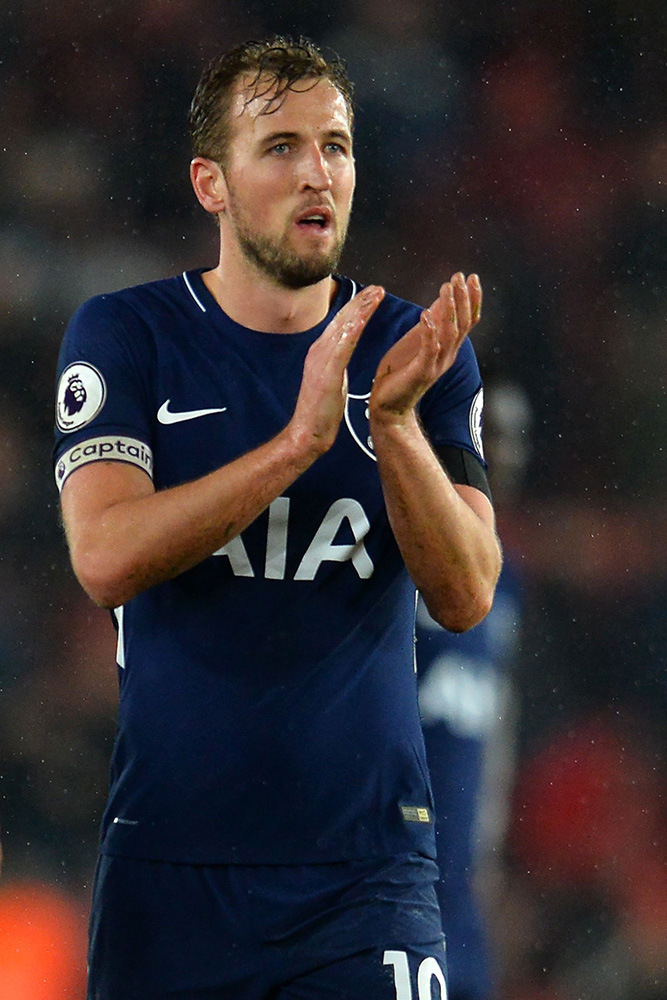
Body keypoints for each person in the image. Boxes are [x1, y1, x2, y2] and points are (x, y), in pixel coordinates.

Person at [53, 36, 501, 1000]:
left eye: (335, 146)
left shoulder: (415, 349)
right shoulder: (127, 334)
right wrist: (296, 445)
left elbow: (466, 593)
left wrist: (392, 428)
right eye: (281, 146)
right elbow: (103, 555)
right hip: (171, 875)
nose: (316, 173)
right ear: (210, 184)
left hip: (368, 877)